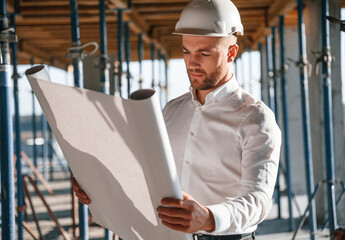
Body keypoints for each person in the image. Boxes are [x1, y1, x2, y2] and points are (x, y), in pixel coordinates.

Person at [73, 0, 281, 239]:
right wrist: (97, 189)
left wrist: (209, 218)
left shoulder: (255, 118)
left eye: (203, 53)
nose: (192, 63)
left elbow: (258, 200)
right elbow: (144, 176)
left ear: (231, 52)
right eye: (186, 51)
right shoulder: (172, 111)